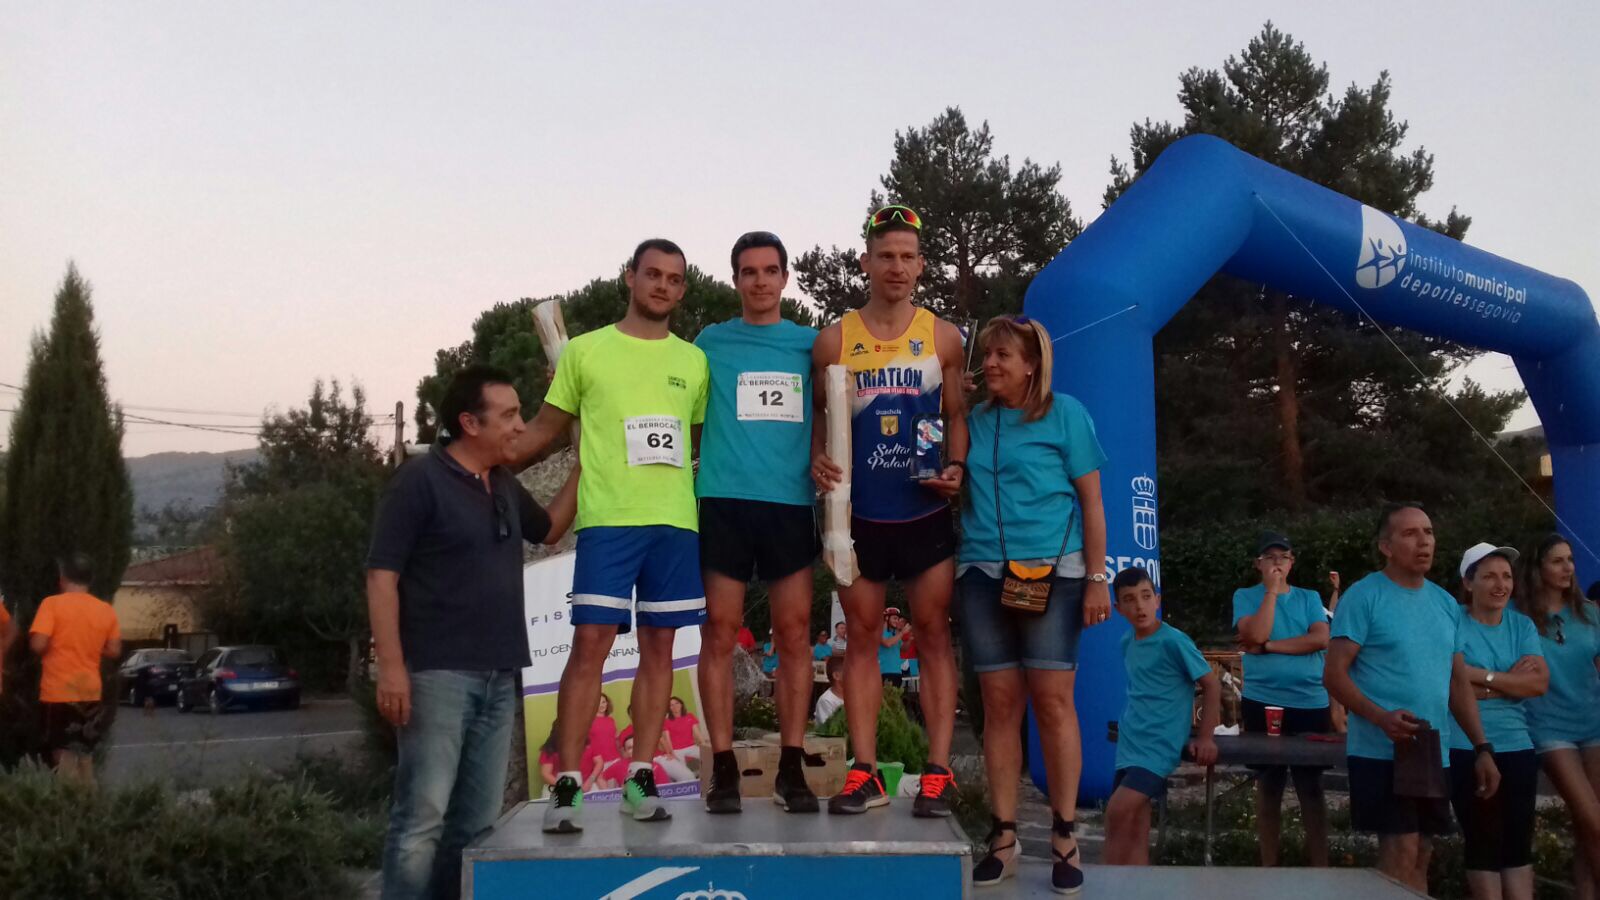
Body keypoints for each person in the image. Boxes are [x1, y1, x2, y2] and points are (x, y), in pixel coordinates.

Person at [510, 238, 710, 834]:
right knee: (590, 646)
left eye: (675, 280)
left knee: (660, 653)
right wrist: (478, 459)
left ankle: (640, 777)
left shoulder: (693, 361)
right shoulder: (585, 353)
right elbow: (544, 430)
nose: (663, 287)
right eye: (653, 275)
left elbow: (694, 444)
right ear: (630, 277)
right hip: (608, 524)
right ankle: (567, 786)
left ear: (681, 289)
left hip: (674, 523)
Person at [366, 364, 579, 900]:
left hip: (500, 675)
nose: (519, 425)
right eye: (507, 415)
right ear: (468, 422)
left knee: (477, 825)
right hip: (437, 675)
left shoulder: (502, 483)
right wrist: (392, 667)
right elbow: (381, 576)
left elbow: (550, 530)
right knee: (421, 820)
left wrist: (586, 465)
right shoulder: (419, 481)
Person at [812, 204, 969, 818]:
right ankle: (865, 771)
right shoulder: (834, 337)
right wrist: (815, 463)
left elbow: (957, 414)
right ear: (865, 262)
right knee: (862, 642)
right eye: (885, 255)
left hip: (924, 511)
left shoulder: (943, 336)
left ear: (921, 265)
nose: (896, 267)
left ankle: (937, 770)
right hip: (859, 517)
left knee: (932, 637)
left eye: (907, 256)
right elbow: (819, 419)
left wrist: (955, 467)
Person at [952, 315, 1109, 893]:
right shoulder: (976, 419)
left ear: (1032, 364)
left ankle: (1065, 835)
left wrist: (1097, 578)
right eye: (986, 355)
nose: (990, 363)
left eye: (1002, 356)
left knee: (1051, 702)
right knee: (997, 704)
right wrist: (952, 399)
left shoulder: (1065, 413)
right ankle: (1003, 835)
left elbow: (1093, 502)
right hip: (980, 571)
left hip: (1054, 573)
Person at [693, 230, 822, 814]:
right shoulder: (710, 342)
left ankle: (790, 767)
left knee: (794, 635)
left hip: (789, 505)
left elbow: (839, 402)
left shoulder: (811, 344)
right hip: (723, 500)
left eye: (771, 270)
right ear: (735, 280)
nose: (761, 281)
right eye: (749, 272)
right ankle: (722, 768)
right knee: (719, 632)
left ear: (786, 278)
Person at [1324, 503, 1500, 894]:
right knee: (1399, 851)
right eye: (1410, 533)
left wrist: (1482, 747)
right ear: (1386, 546)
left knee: (1422, 852)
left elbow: (1457, 682)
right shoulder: (1364, 596)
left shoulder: (1444, 603)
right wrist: (1381, 717)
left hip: (1432, 749)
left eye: (1429, 532)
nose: (1424, 541)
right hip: (1381, 749)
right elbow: (1334, 675)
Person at [1103, 567, 1219, 867]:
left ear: (1157, 600)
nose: (1139, 606)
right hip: (1130, 742)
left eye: (1145, 596)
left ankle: (1104, 888)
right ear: (1119, 608)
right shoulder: (1126, 643)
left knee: (1116, 812)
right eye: (1129, 599)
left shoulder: (1174, 641)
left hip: (1159, 745)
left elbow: (1211, 684)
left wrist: (1205, 736)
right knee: (1135, 826)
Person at [1451, 543, 1547, 900]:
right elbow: (1448, 680)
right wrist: (1508, 683)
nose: (1500, 584)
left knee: (1518, 841)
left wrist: (1481, 678)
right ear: (1468, 582)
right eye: (1489, 576)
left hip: (1517, 744)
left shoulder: (1520, 624)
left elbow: (1538, 683)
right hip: (1465, 744)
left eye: (1506, 576)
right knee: (1482, 839)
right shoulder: (1453, 620)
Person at [1232, 532, 1332, 867]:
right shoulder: (1246, 596)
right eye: (1270, 557)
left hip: (1310, 701)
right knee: (1269, 783)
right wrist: (1272, 594)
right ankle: (1268, 865)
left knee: (1311, 787)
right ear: (1257, 564)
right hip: (1262, 699)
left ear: (1292, 562)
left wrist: (1271, 647)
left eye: (1284, 557)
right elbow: (1255, 633)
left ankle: (1321, 866)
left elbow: (1320, 638)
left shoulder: (1309, 597)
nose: (1278, 563)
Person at [1517, 534, 1600, 899]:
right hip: (1549, 727)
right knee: (1593, 820)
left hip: (1594, 723)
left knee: (1587, 830)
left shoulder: (1590, 613)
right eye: (1557, 561)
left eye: (1570, 560)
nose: (1568, 568)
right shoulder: (1519, 619)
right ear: (1538, 569)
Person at [28, 552, 120, 784]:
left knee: (63, 757)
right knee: (85, 756)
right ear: (90, 579)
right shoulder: (105, 610)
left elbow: (38, 644)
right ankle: (91, 809)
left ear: (63, 578)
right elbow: (114, 650)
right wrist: (88, 646)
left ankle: (70, 811)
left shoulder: (52, 604)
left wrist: (57, 643)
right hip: (90, 694)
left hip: (59, 692)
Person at [586, 693, 620, 790]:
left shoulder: (611, 720)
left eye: (604, 702)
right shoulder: (588, 721)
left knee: (618, 791)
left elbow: (616, 739)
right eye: (598, 703)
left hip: (615, 760)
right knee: (607, 793)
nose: (602, 705)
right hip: (599, 763)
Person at [662, 695, 705, 768]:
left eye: (677, 703)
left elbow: (697, 733)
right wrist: (671, 752)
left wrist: (704, 745)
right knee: (684, 771)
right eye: (671, 705)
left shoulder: (690, 716)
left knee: (708, 757)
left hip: (691, 747)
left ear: (681, 704)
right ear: (669, 708)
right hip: (677, 750)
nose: (675, 706)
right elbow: (667, 739)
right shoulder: (666, 721)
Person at [880, 608, 908, 688]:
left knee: (895, 699)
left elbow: (903, 649)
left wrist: (910, 640)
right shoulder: (880, 632)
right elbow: (887, 643)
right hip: (885, 672)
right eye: (895, 618)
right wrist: (902, 633)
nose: (897, 621)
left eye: (898, 619)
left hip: (898, 672)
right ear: (887, 618)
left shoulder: (895, 634)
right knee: (887, 699)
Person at [814, 657, 846, 725]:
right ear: (836, 676)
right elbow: (829, 728)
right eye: (849, 671)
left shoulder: (854, 697)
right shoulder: (826, 700)